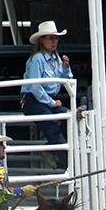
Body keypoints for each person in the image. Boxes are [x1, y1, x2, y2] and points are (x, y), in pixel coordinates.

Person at [21, 20, 72, 169]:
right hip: (32, 100)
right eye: (50, 38)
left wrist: (66, 68)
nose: (53, 41)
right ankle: (67, 163)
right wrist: (51, 102)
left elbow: (65, 81)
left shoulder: (57, 59)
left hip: (45, 100)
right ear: (41, 40)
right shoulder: (37, 59)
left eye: (55, 38)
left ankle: (52, 151)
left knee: (66, 118)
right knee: (52, 123)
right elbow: (35, 87)